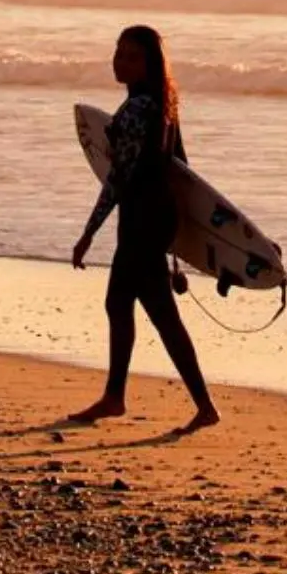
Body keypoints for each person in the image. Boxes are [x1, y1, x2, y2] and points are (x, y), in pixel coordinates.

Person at [68, 24, 219, 431]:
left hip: (141, 219)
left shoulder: (136, 111)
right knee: (125, 304)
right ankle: (117, 396)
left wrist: (88, 233)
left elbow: (118, 178)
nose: (119, 60)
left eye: (131, 55)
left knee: (152, 312)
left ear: (148, 63)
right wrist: (185, 230)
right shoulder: (163, 104)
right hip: (155, 216)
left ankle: (198, 406)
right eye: (118, 52)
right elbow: (183, 170)